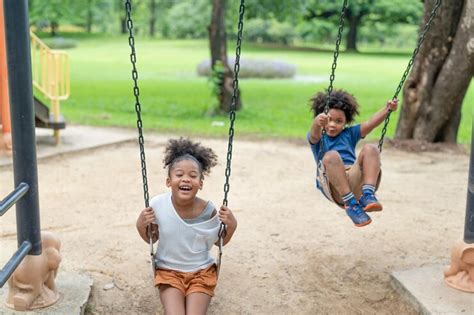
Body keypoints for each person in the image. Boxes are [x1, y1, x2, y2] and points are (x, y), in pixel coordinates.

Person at [136, 138, 237, 314]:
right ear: (169, 181)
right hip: (168, 272)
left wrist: (232, 225)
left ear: (200, 183)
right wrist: (141, 223)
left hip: (201, 273)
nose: (186, 179)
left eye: (193, 176)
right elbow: (151, 237)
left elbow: (219, 242)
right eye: (179, 174)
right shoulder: (158, 205)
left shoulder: (209, 211)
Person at [307, 89, 398, 227]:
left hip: (355, 180)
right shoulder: (318, 139)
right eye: (329, 119)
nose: (332, 125)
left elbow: (370, 124)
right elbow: (314, 133)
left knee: (371, 149)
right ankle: (351, 205)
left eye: (339, 121)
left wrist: (388, 109)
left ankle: (367, 194)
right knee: (331, 156)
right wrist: (317, 122)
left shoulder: (349, 134)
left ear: (346, 122)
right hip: (334, 186)